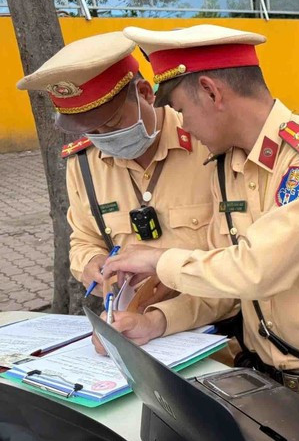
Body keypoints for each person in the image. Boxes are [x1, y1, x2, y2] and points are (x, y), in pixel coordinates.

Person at [101, 24, 299, 441]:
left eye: (181, 109)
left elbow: (258, 269)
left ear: (212, 92)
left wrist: (157, 258)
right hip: (266, 396)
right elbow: (229, 281)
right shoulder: (227, 166)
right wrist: (157, 321)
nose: (182, 125)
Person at [16, 32, 214, 313]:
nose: (103, 138)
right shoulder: (84, 164)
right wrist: (90, 262)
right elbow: (83, 239)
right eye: (90, 131)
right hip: (131, 325)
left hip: (215, 324)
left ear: (145, 93)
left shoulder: (206, 142)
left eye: (111, 124)